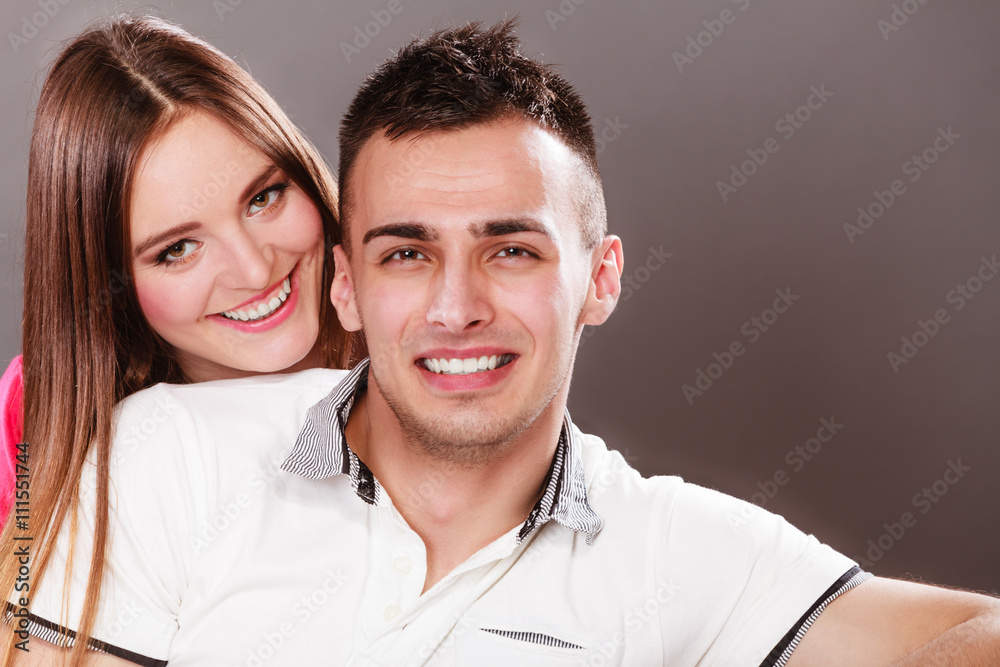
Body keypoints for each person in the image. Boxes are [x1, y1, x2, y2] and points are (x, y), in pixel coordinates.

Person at [11, 19, 1000, 666]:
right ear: (357, 280)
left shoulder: (673, 548)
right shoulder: (140, 454)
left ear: (600, 276)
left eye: (510, 250)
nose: (455, 304)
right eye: (407, 254)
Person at [0, 14, 358, 664]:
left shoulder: (417, 337)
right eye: (179, 249)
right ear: (108, 281)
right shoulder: (35, 414)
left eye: (264, 197)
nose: (254, 268)